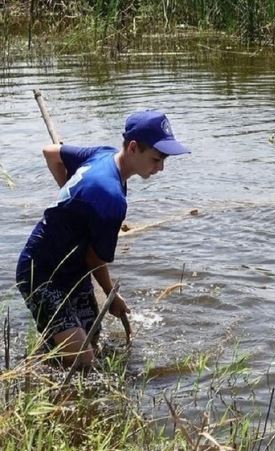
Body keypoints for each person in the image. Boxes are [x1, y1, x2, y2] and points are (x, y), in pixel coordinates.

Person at [16, 110, 190, 368]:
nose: (160, 168)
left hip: (74, 271)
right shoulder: (111, 198)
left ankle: (50, 360)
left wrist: (72, 198)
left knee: (92, 340)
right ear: (133, 148)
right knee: (83, 362)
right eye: (156, 159)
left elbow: (51, 153)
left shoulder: (103, 154)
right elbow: (94, 257)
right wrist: (113, 297)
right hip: (41, 274)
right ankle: (35, 373)